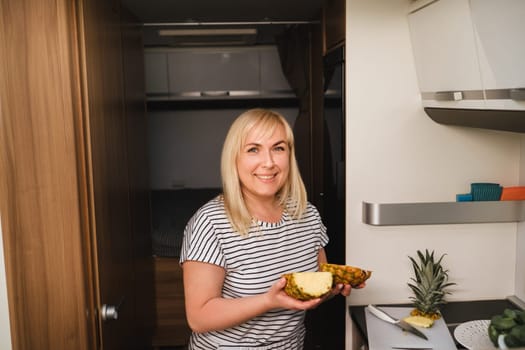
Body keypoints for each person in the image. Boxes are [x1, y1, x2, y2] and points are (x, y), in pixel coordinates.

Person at [179, 108, 362, 349]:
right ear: (235, 158)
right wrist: (268, 301)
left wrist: (333, 287)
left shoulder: (307, 215)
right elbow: (199, 317)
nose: (269, 162)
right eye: (253, 149)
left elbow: (311, 287)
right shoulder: (210, 222)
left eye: (278, 148)